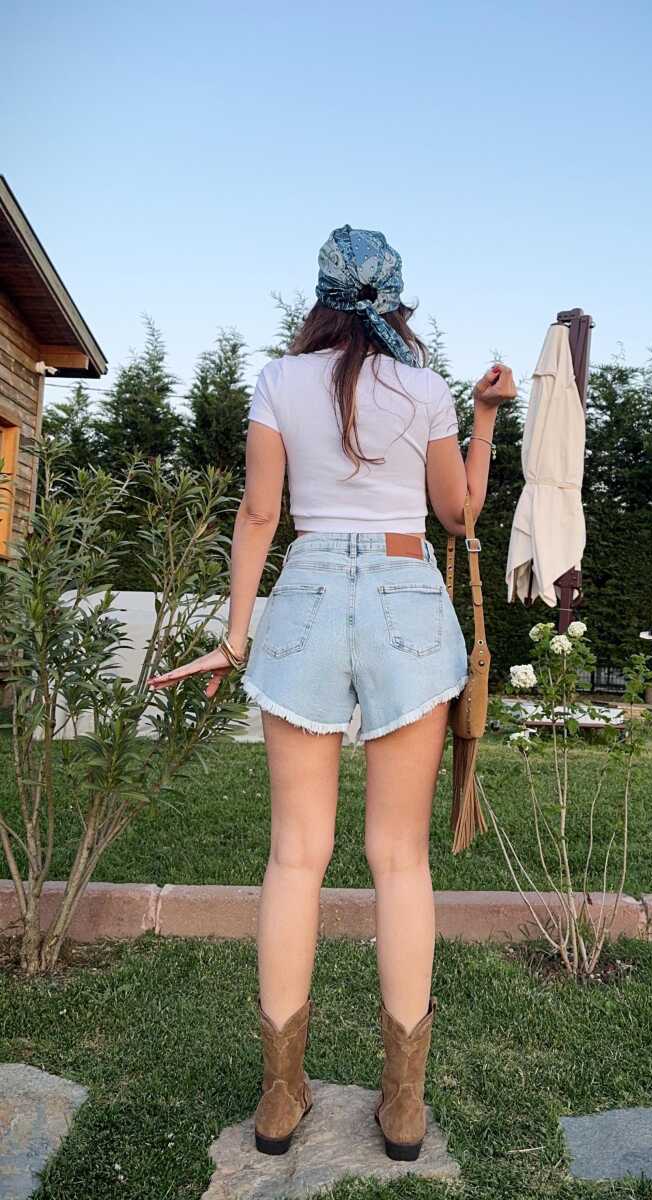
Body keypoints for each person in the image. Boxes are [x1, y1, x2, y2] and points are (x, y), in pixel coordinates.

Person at [147, 224, 516, 1162]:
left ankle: (280, 1098)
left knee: (293, 858)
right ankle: (403, 1108)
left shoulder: (278, 379)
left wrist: (234, 637)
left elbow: (260, 513)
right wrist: (483, 419)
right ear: (396, 299)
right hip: (406, 596)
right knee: (401, 861)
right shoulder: (425, 389)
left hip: (306, 593)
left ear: (320, 297)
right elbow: (458, 515)